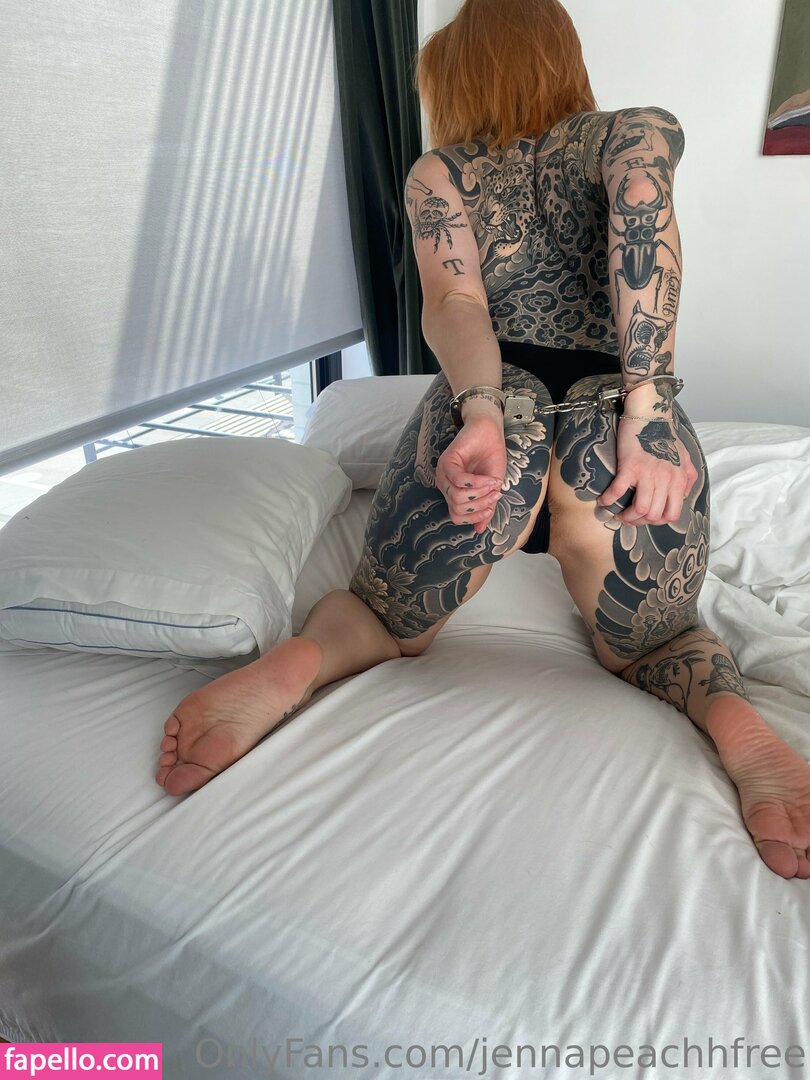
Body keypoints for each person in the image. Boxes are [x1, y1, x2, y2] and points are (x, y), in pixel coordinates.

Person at [155, 0, 810, 880]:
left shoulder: (441, 173)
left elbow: (456, 303)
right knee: (659, 643)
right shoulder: (633, 130)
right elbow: (639, 218)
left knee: (382, 615)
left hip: (499, 416)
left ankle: (298, 665)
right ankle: (737, 724)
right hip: (611, 426)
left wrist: (483, 413)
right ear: (563, 58)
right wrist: (647, 414)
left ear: (454, 83)